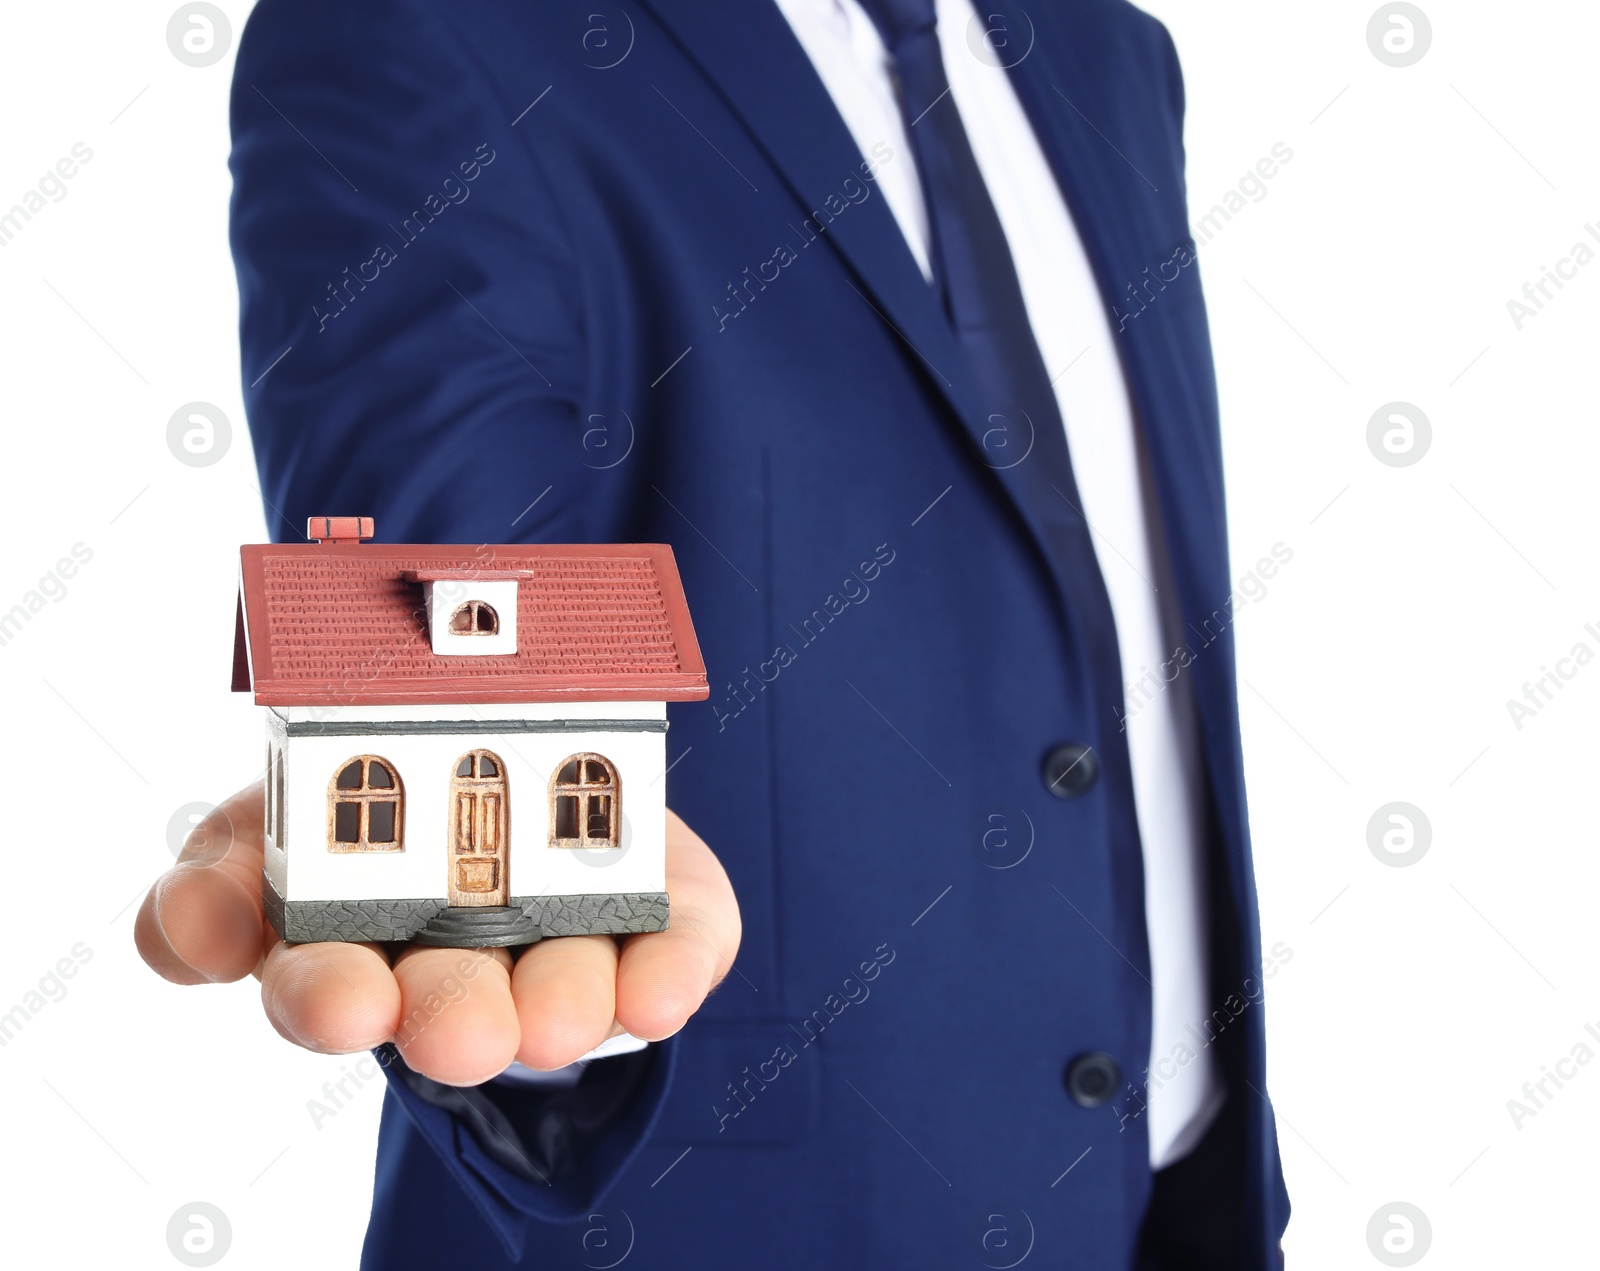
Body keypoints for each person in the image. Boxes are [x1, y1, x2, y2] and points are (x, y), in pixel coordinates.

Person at [137, 0, 1291, 1265]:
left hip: (1171, 1210)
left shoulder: (1109, 52)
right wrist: (504, 938)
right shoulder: (424, 28)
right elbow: (445, 602)